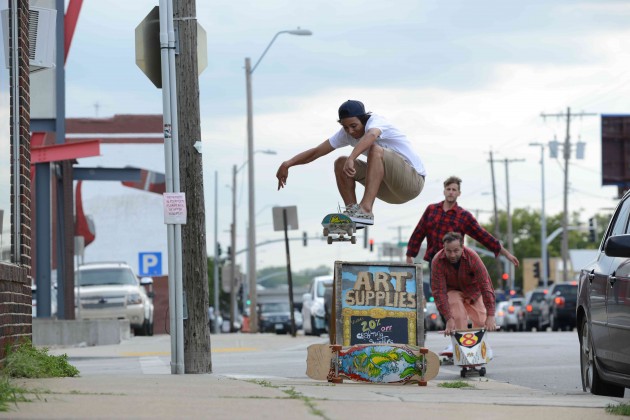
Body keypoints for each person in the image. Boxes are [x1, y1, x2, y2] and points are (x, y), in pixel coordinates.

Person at [275, 100, 427, 224]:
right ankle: (354, 214)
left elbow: (372, 135)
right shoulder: (346, 133)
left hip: (412, 183)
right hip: (389, 190)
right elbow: (316, 152)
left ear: (363, 119)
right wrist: (288, 163)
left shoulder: (376, 122)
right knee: (340, 163)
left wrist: (352, 157)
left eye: (354, 126)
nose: (350, 132)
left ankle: (365, 209)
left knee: (375, 150)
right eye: (345, 127)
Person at [405, 175, 519, 267]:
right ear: (444, 191)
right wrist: (410, 255)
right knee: (437, 294)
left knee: (453, 294)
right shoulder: (431, 210)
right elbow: (418, 232)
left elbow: (483, 235)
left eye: (454, 190)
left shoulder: (464, 216)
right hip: (435, 260)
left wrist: (506, 254)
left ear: (459, 193)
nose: (451, 192)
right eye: (448, 189)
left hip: (455, 262)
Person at [432, 232, 496, 356]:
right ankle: (460, 347)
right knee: (458, 315)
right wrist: (449, 319)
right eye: (448, 251)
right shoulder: (437, 261)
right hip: (452, 291)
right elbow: (439, 292)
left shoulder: (473, 257)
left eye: (456, 250)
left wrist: (491, 315)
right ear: (443, 248)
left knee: (481, 319)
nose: (452, 255)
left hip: (473, 291)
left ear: (462, 247)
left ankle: (481, 345)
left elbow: (485, 285)